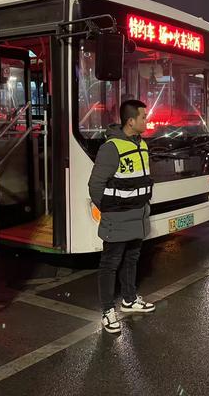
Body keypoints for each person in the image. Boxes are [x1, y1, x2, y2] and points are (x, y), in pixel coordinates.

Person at [89, 100, 155, 333]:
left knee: (132, 259)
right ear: (131, 121)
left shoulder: (142, 145)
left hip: (138, 217)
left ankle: (129, 299)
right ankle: (108, 311)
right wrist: (109, 209)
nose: (147, 121)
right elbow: (95, 185)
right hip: (117, 218)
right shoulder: (111, 148)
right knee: (110, 264)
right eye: (144, 117)